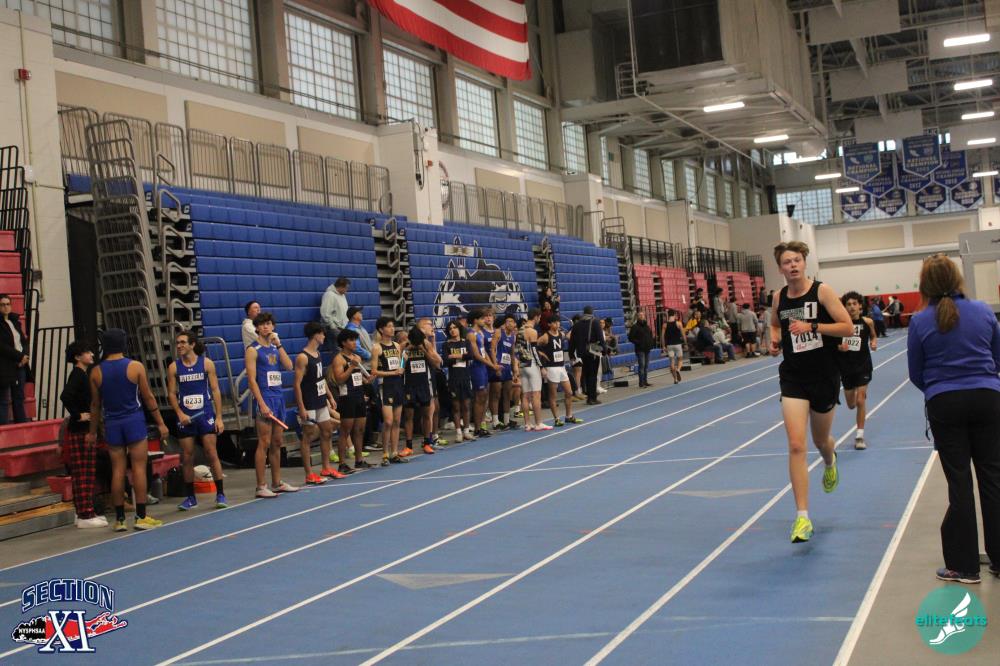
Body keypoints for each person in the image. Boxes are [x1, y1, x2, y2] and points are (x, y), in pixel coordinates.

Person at [908, 254, 1000, 584]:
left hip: (945, 403)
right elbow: (997, 357)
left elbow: (916, 372)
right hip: (988, 398)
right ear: (957, 279)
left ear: (925, 285)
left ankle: (964, 566)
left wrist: (939, 390)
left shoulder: (919, 321)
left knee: (959, 482)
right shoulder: (984, 311)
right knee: (993, 478)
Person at [768, 241, 854, 544]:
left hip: (824, 376)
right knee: (795, 445)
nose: (792, 265)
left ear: (804, 263)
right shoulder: (778, 297)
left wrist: (813, 327)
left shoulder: (822, 292)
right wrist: (774, 341)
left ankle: (830, 460)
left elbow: (847, 327)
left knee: (820, 440)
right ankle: (802, 517)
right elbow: (775, 325)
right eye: (787, 262)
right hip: (793, 377)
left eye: (797, 260)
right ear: (780, 268)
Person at [86, 328, 169, 531]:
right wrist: (160, 422)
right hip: (133, 421)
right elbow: (148, 397)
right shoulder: (135, 366)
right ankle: (141, 516)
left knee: (118, 470)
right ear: (123, 344)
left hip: (112, 423)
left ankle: (120, 519)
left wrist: (92, 432)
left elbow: (95, 405)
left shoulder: (96, 372)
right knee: (139, 468)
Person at [167, 331, 227, 510]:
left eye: (183, 342)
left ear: (192, 345)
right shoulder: (174, 367)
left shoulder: (206, 363)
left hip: (205, 414)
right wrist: (179, 414)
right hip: (186, 417)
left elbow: (215, 390)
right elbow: (171, 393)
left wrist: (219, 417)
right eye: (177, 343)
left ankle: (220, 494)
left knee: (211, 453)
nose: (179, 346)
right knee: (187, 457)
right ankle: (190, 498)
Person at [245, 312, 298, 497]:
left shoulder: (275, 348)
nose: (266, 327)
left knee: (277, 442)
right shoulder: (253, 350)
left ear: (273, 326)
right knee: (264, 442)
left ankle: (277, 483)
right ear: (257, 328)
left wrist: (279, 344)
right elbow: (251, 380)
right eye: (262, 324)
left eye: (268, 323)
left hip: (279, 397)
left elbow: (289, 366)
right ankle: (261, 486)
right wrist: (261, 403)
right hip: (265, 398)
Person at [60, 341, 107, 528]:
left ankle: (82, 511)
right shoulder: (78, 375)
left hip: (82, 428)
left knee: (86, 472)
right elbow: (65, 396)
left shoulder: (82, 374)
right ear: (78, 357)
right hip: (80, 430)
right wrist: (78, 415)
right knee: (83, 473)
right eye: (87, 352)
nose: (92, 355)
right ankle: (85, 513)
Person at [294, 322, 345, 481]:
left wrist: (329, 396)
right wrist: (301, 407)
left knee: (327, 431)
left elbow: (320, 378)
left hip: (320, 399)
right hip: (309, 401)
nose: (324, 336)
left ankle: (326, 468)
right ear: (315, 335)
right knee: (307, 436)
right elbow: (296, 384)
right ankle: (309, 474)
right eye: (322, 333)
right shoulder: (303, 357)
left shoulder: (317, 354)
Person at [837, 292, 877, 451]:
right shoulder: (840, 325)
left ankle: (859, 436)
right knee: (851, 405)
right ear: (844, 307)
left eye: (854, 304)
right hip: (846, 368)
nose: (852, 307)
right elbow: (833, 344)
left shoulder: (868, 322)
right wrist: (840, 347)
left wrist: (873, 343)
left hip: (863, 366)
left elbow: (873, 336)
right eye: (848, 304)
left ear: (860, 305)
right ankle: (858, 394)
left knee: (860, 401)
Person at [331, 328, 372, 471]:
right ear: (343, 342)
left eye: (355, 340)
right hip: (347, 397)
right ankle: (342, 464)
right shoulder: (339, 359)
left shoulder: (356, 357)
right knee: (345, 431)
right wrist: (351, 366)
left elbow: (357, 376)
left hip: (359, 395)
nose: (355, 343)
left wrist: (366, 380)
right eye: (351, 340)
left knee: (360, 430)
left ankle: (359, 460)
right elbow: (339, 380)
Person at [371, 317, 408, 464]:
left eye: (393, 326)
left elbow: (399, 365)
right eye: (389, 326)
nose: (392, 329)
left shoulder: (397, 346)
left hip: (397, 384)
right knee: (388, 421)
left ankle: (394, 452)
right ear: (381, 329)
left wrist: (402, 365)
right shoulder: (377, 347)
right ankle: (385, 453)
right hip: (385, 386)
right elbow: (374, 371)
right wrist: (392, 373)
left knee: (397, 421)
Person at [402, 324, 440, 455]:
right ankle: (408, 446)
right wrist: (406, 351)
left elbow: (435, 364)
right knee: (409, 416)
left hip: (424, 385)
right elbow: (400, 366)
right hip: (409, 385)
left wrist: (423, 351)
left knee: (426, 414)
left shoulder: (425, 345)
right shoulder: (405, 346)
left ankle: (427, 443)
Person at [537, 318, 583, 427]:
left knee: (569, 392)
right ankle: (556, 419)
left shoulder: (561, 334)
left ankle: (568, 416)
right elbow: (535, 346)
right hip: (552, 368)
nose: (557, 324)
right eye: (554, 322)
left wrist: (575, 327)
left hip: (561, 367)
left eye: (558, 322)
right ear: (549, 324)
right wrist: (542, 355)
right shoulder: (545, 336)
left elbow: (569, 336)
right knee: (553, 395)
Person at [516, 309, 550, 431]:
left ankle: (527, 424)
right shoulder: (532, 331)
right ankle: (538, 423)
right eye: (539, 318)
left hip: (523, 364)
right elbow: (534, 351)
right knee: (536, 394)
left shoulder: (519, 330)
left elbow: (518, 349)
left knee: (525, 395)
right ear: (536, 317)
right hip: (532, 364)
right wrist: (541, 367)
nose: (539, 320)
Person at [467, 309, 498, 439]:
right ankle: (477, 428)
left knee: (484, 396)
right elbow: (476, 355)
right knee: (479, 397)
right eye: (482, 318)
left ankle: (480, 427)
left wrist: (493, 364)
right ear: (475, 320)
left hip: (483, 367)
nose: (485, 320)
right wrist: (492, 365)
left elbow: (484, 351)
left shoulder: (480, 333)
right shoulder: (471, 334)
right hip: (476, 368)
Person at [0, 294, 30, 424]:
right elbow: (2, 346)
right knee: (3, 400)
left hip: (20, 364)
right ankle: (3, 430)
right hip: (5, 365)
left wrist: (25, 356)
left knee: (19, 398)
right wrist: (20, 356)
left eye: (8, 304)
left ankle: (22, 427)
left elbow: (24, 342)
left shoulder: (15, 321)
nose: (6, 307)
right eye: (2, 304)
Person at [443, 320, 474, 442]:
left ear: (459, 329)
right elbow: (446, 361)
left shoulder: (466, 342)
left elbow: (470, 355)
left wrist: (455, 356)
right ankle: (458, 432)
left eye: (454, 327)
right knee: (456, 407)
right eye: (450, 328)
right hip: (454, 379)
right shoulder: (446, 345)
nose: (452, 330)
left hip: (465, 377)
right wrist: (462, 355)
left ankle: (466, 431)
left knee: (466, 405)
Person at [490, 314, 520, 430]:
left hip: (507, 368)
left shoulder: (513, 336)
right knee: (496, 394)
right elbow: (492, 349)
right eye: (508, 321)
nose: (510, 323)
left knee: (507, 394)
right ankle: (495, 421)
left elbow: (512, 354)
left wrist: (514, 369)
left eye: (512, 321)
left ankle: (506, 420)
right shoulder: (498, 332)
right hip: (498, 366)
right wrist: (495, 365)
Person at [570, 306, 604, 405]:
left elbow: (572, 341)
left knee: (587, 374)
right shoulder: (595, 322)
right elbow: (600, 338)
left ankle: (589, 396)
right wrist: (604, 350)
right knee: (593, 375)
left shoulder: (577, 325)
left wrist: (571, 354)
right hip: (593, 352)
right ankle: (592, 397)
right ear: (592, 312)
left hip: (582, 353)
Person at [320, 277, 350, 353]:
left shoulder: (342, 295)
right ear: (341, 286)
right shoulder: (329, 295)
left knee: (343, 352)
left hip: (342, 328)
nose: (347, 290)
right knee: (337, 352)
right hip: (334, 329)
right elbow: (325, 313)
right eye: (346, 288)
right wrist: (332, 327)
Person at [629, 311, 655, 388]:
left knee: (646, 366)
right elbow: (630, 338)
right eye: (640, 315)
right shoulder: (635, 327)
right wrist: (639, 342)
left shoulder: (647, 326)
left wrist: (650, 343)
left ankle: (645, 381)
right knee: (642, 366)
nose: (641, 316)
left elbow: (650, 335)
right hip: (640, 349)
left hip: (647, 349)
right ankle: (641, 383)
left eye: (643, 315)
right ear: (637, 317)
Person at [660, 309, 684, 384]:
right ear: (674, 315)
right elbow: (683, 334)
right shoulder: (678, 323)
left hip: (669, 345)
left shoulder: (665, 325)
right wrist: (686, 343)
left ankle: (675, 379)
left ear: (668, 315)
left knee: (672, 362)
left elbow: (662, 336)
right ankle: (678, 370)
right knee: (680, 359)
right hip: (677, 344)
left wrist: (663, 346)